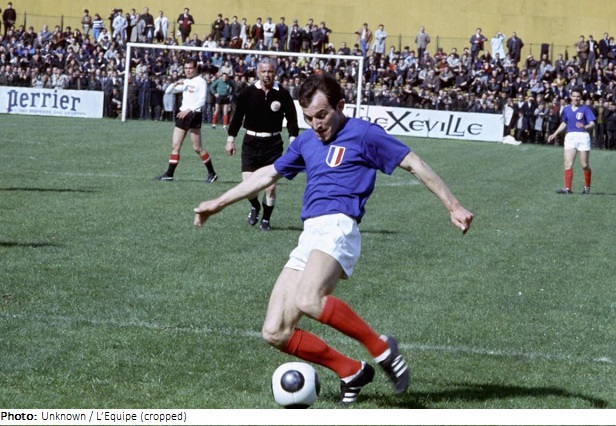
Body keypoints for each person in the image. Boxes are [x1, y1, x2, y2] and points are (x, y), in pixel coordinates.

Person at [193, 72, 474, 404]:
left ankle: (383, 349)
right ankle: (351, 370)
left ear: (340, 106)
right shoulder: (306, 142)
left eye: (322, 115)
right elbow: (268, 174)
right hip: (310, 234)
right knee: (275, 331)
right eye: (309, 117)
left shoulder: (364, 133)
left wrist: (453, 205)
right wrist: (218, 203)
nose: (316, 124)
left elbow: (413, 163)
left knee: (308, 298)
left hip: (339, 226)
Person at [225, 58, 299, 231]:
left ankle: (266, 219)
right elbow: (237, 117)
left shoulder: (282, 94)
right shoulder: (248, 93)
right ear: (258, 72)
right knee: (248, 188)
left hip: (273, 144)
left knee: (270, 187)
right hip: (251, 142)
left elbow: (292, 119)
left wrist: (293, 140)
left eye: (270, 71)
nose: (267, 74)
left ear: (275, 73)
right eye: (264, 71)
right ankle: (255, 206)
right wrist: (230, 140)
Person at [157, 58, 218, 183]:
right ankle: (169, 174)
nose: (188, 70)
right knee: (175, 145)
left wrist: (189, 110)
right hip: (182, 114)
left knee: (197, 148)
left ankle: (212, 173)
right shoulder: (186, 81)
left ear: (196, 68)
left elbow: (202, 101)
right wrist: (175, 83)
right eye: (186, 68)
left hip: (193, 115)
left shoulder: (201, 81)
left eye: (190, 68)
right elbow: (168, 91)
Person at [548, 89, 596, 194]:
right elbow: (564, 123)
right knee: (567, 163)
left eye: (578, 96)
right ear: (571, 97)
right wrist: (555, 134)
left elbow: (593, 124)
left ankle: (587, 187)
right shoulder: (566, 109)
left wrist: (585, 126)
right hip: (570, 136)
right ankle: (568, 189)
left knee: (584, 164)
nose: (576, 98)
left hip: (582, 136)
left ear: (580, 97)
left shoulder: (585, 109)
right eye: (574, 96)